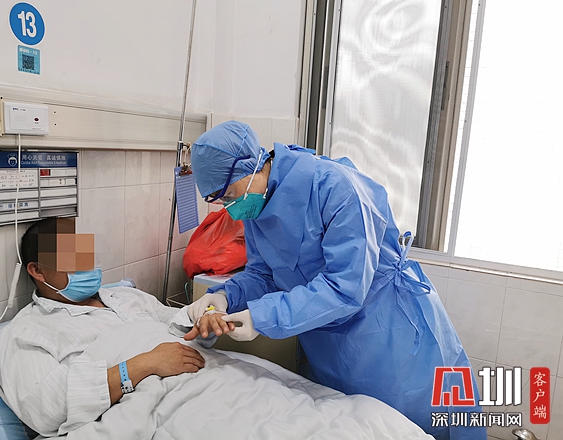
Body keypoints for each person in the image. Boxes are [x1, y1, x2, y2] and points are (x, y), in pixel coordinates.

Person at [184, 120, 487, 440]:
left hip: (389, 332)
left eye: (231, 195)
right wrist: (225, 296)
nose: (231, 210)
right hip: (331, 341)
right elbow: (265, 274)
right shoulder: (258, 206)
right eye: (222, 201)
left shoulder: (335, 187)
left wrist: (262, 317)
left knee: (420, 423)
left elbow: (346, 287)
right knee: (355, 426)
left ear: (254, 165)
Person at [0, 217, 206, 437]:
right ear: (37, 270)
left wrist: (204, 318)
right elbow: (48, 408)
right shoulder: (26, 332)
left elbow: (179, 323)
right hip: (163, 411)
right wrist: (145, 364)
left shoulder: (126, 296)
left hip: (204, 382)